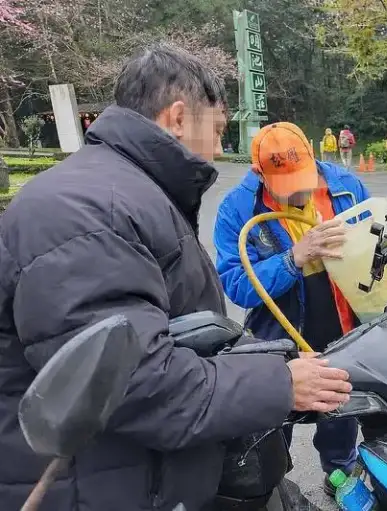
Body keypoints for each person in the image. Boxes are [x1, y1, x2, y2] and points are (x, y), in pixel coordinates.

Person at [0, 45, 353, 511]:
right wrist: (278, 383)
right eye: (218, 131)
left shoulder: (123, 193)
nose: (218, 150)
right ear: (179, 118)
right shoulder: (88, 213)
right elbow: (134, 383)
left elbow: (174, 328)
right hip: (95, 487)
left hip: (139, 474)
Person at [213, 122, 370, 496]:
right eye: (288, 186)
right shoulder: (238, 210)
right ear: (259, 175)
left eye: (305, 178)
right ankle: (272, 489)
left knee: (338, 415)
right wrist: (292, 259)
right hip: (279, 336)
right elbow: (236, 284)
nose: (301, 191)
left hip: (340, 326)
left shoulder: (345, 187)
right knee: (272, 423)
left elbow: (376, 243)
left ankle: (340, 477)